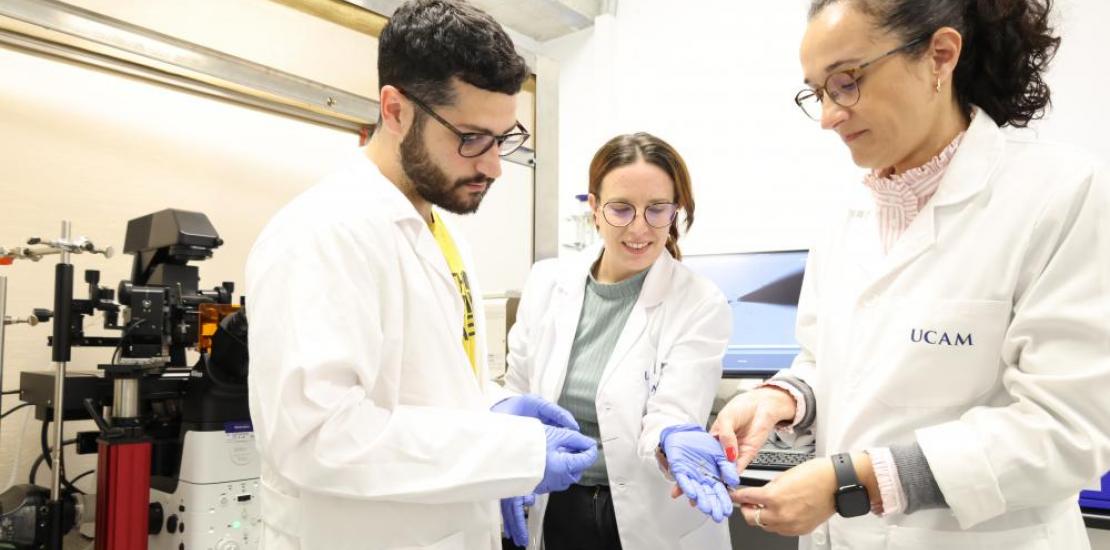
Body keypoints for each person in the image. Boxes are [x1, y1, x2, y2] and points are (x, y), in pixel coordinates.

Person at [690, 0, 1110, 548]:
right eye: (817, 92)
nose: (828, 114)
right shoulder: (847, 218)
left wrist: (856, 480)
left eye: (845, 81)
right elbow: (827, 360)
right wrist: (782, 398)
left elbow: (1065, 430)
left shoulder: (1060, 195)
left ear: (939, 56)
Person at [245, 1, 597, 548]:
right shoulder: (321, 233)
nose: (494, 165)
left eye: (504, 137)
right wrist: (511, 452)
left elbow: (424, 391)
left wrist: (492, 410)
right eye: (472, 137)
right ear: (395, 109)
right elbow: (317, 438)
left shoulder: (438, 229)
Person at [494, 132, 736, 550]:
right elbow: (517, 391)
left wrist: (672, 436)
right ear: (594, 209)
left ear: (675, 210)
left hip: (649, 514)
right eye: (621, 209)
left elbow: (673, 411)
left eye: (657, 210)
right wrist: (509, 459)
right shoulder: (548, 282)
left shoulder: (699, 301)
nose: (639, 228)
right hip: (558, 505)